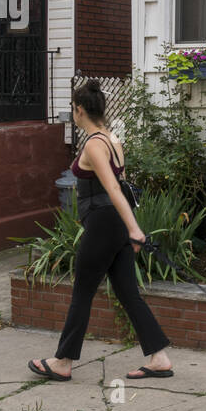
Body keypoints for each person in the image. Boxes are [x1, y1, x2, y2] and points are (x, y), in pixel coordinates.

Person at [27, 82, 173, 382]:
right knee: (128, 292)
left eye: (73, 109)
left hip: (105, 223)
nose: (74, 114)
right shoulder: (112, 139)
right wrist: (128, 227)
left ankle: (63, 362)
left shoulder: (94, 143)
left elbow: (112, 188)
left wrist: (134, 230)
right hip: (115, 223)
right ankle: (159, 358)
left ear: (80, 110)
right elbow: (122, 187)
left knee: (82, 290)